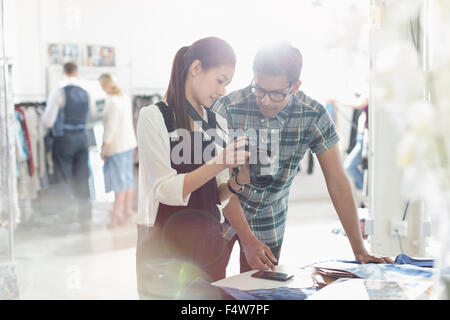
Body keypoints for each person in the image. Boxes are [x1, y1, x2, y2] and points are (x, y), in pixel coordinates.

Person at [212, 42, 393, 274]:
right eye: (259, 89)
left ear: (295, 87)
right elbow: (217, 182)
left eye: (276, 94)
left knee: (258, 293)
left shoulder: (313, 114)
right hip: (221, 212)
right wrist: (247, 239)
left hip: (270, 218)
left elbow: (337, 180)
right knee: (207, 289)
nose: (265, 100)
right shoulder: (226, 107)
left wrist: (359, 250)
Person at [135, 37, 251, 299]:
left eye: (227, 84)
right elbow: (164, 189)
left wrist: (237, 181)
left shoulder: (217, 122)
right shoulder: (154, 118)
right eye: (220, 80)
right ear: (196, 68)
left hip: (209, 245)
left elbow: (215, 196)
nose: (222, 91)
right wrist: (220, 161)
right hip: (163, 247)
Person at [42, 62, 97, 229]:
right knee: (82, 177)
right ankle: (85, 217)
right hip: (82, 138)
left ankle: (66, 218)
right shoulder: (86, 93)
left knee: (63, 178)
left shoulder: (59, 92)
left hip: (64, 138)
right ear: (76, 72)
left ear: (63, 73)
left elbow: (48, 121)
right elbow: (93, 115)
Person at [98, 74, 137, 228]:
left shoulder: (112, 102)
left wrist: (104, 146)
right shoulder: (124, 98)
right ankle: (127, 210)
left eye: (102, 86)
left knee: (118, 181)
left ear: (107, 86)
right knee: (127, 179)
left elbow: (111, 127)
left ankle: (116, 214)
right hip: (128, 144)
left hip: (117, 146)